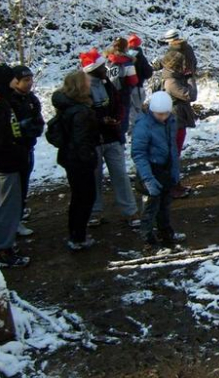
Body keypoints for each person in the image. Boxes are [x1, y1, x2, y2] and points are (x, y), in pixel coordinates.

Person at [80, 49, 141, 226]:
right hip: (93, 140)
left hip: (112, 136)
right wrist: (100, 120)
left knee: (120, 174)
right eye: (100, 67)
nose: (105, 69)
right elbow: (82, 114)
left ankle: (130, 211)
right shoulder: (83, 89)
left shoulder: (107, 84)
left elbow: (118, 103)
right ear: (92, 69)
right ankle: (94, 212)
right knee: (94, 177)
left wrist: (118, 119)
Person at [51, 71, 99, 252]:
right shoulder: (81, 111)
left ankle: (76, 233)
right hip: (79, 160)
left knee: (78, 197)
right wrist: (89, 159)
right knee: (85, 197)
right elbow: (82, 140)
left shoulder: (66, 105)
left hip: (69, 157)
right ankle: (78, 236)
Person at [131, 91, 185, 248]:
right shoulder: (143, 126)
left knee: (165, 205)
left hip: (165, 168)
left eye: (165, 114)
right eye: (159, 114)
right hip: (151, 169)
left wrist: (175, 170)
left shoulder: (170, 121)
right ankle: (147, 238)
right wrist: (148, 179)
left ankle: (166, 233)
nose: (163, 117)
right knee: (151, 207)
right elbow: (139, 154)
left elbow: (172, 147)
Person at [0, 65, 30, 267]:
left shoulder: (5, 102)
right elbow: (4, 137)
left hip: (6, 161)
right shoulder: (1, 106)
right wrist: (17, 151)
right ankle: (3, 249)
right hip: (6, 163)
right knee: (8, 206)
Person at [9, 65, 44, 236]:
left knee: (23, 184)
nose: (29, 83)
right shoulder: (9, 101)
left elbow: (38, 121)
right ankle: (12, 221)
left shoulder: (31, 99)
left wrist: (32, 130)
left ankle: (18, 216)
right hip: (12, 151)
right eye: (25, 80)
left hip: (28, 147)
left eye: (30, 79)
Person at [162, 49, 198, 198]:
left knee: (175, 153)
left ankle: (174, 183)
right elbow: (191, 95)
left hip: (177, 117)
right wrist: (190, 79)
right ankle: (172, 186)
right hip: (175, 118)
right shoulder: (171, 82)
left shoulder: (173, 77)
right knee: (173, 154)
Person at [106, 37, 139, 138]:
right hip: (123, 94)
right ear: (126, 47)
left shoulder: (107, 59)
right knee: (122, 118)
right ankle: (120, 139)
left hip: (107, 93)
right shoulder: (127, 62)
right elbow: (134, 80)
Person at [126, 34, 154, 129]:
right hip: (138, 88)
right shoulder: (141, 57)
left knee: (130, 111)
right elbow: (148, 73)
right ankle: (139, 130)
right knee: (137, 111)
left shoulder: (124, 57)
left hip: (125, 89)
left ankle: (132, 129)